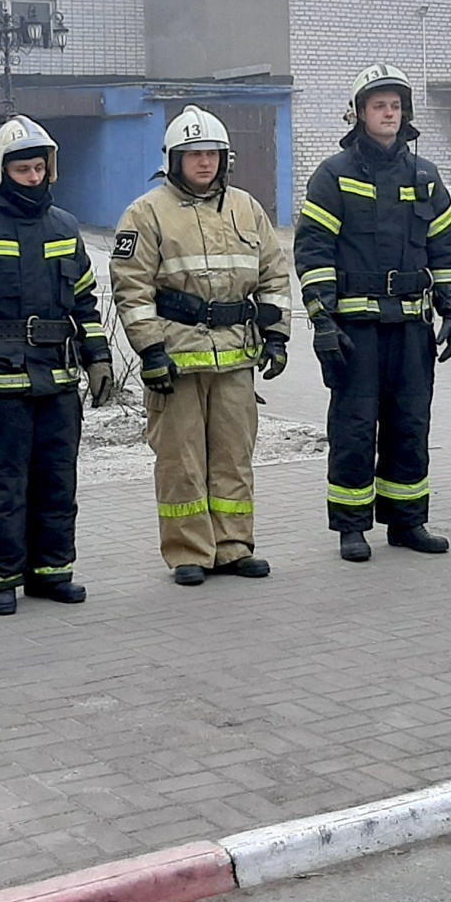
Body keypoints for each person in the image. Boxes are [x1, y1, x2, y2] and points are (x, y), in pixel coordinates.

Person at [0, 116, 113, 613]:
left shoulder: (64, 226)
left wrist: (98, 357)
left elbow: (85, 303)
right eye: (23, 169)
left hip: (56, 381)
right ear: (0, 171)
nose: (33, 177)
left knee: (57, 479)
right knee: (1, 485)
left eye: (39, 168)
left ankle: (52, 572)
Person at [110, 106, 291, 585]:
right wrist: (150, 351)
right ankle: (189, 551)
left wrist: (277, 337)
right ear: (173, 160)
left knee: (234, 457)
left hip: (236, 358)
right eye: (193, 155)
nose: (204, 163)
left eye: (211, 153)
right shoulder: (145, 213)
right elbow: (131, 288)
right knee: (181, 462)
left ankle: (233, 546)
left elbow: (274, 275)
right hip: (176, 361)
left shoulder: (246, 208)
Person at [293, 63, 451, 561]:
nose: (388, 114)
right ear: (359, 114)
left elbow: (445, 251)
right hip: (357, 328)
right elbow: (315, 252)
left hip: (412, 326)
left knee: (410, 424)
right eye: (378, 106)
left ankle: (408, 521)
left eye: (395, 106)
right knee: (354, 426)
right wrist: (322, 321)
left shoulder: (426, 178)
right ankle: (351, 526)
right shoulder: (334, 175)